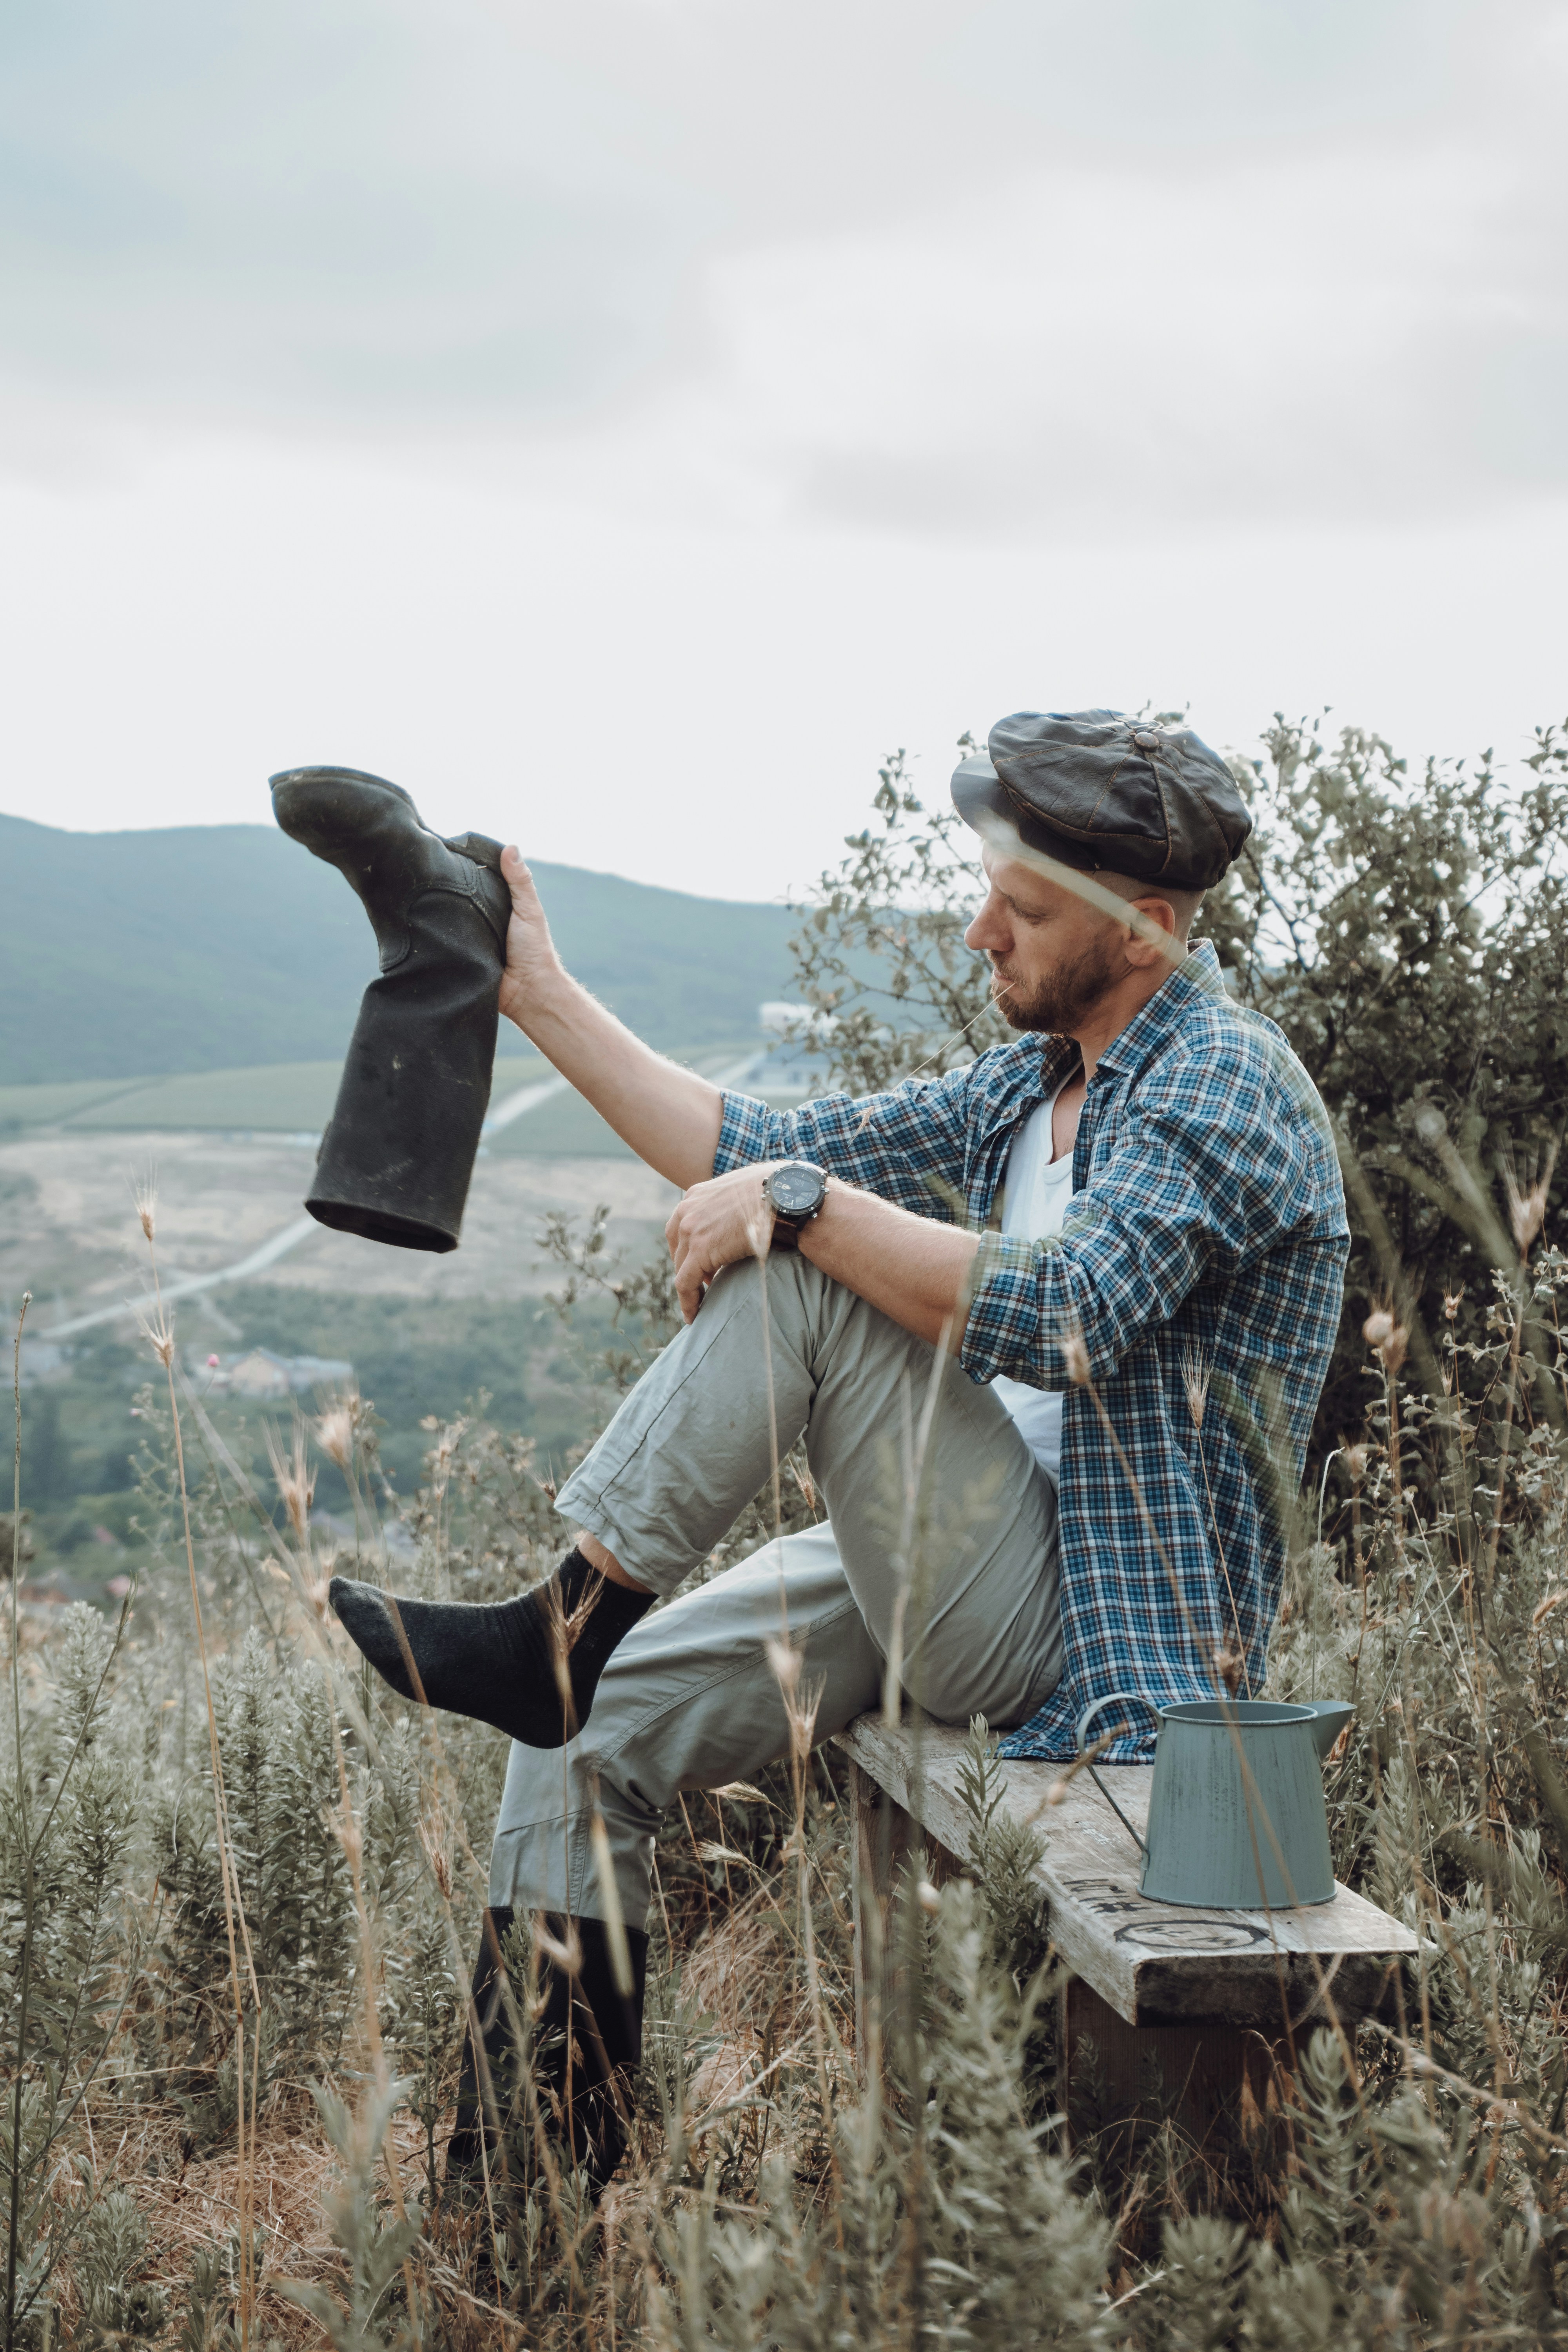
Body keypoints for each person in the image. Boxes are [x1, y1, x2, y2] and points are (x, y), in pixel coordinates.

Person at [330, 707, 1350, 2188]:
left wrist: (794, 1203)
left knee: (804, 1253)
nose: (980, 927)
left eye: (1027, 902)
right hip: (963, 1567)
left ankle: (564, 1621)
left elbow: (1071, 1314)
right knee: (581, 1739)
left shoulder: (1222, 1080)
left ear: (1151, 926)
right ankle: (529, 2200)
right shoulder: (1042, 1080)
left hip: (1103, 1642)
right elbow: (739, 1133)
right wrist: (531, 987)